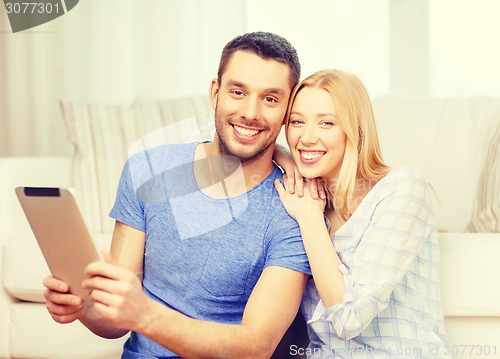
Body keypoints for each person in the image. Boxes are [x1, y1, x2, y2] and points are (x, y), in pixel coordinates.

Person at [43, 31, 312, 358]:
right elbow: (115, 322)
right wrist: (84, 307)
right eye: (238, 92)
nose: (251, 113)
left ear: (288, 108)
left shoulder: (295, 209)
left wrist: (146, 314)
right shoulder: (147, 170)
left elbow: (256, 346)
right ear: (215, 92)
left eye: (270, 99)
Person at [275, 69, 451, 358]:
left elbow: (349, 317)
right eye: (296, 122)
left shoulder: (403, 188)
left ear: (355, 129)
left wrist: (309, 220)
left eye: (327, 123)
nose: (306, 137)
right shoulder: (300, 196)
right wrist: (279, 153)